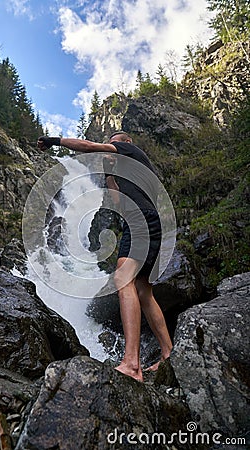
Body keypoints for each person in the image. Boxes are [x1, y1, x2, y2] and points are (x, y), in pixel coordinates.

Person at [37, 132, 173, 382]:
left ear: (126, 143)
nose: (110, 148)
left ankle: (132, 363)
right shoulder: (130, 173)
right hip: (142, 224)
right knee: (143, 290)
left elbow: (88, 146)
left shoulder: (131, 151)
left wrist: (53, 141)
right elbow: (118, 202)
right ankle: (168, 355)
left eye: (114, 143)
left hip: (142, 223)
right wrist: (110, 174)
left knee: (124, 280)